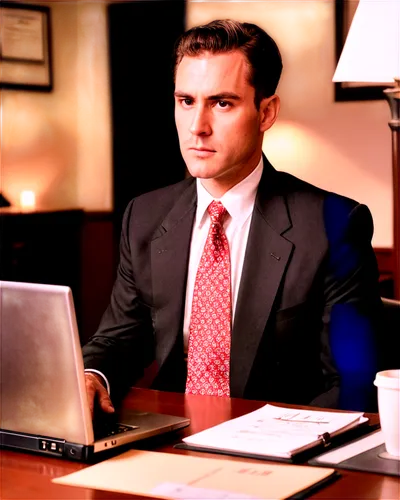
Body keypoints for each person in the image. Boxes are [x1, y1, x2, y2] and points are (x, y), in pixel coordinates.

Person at [83, 19, 381, 417]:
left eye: (222, 103)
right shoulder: (145, 216)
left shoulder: (334, 224)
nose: (197, 127)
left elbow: (352, 382)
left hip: (280, 452)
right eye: (186, 101)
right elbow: (119, 338)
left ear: (266, 112)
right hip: (168, 439)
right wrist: (91, 376)